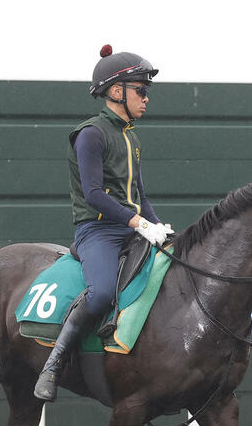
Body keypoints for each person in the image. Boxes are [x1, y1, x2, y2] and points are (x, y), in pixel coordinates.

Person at [33, 45, 173, 401]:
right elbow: (94, 193)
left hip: (131, 226)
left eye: (147, 92)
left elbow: (140, 194)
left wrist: (159, 227)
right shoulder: (90, 134)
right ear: (116, 91)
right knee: (101, 295)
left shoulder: (132, 137)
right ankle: (53, 363)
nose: (146, 98)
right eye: (140, 90)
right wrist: (140, 223)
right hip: (97, 231)